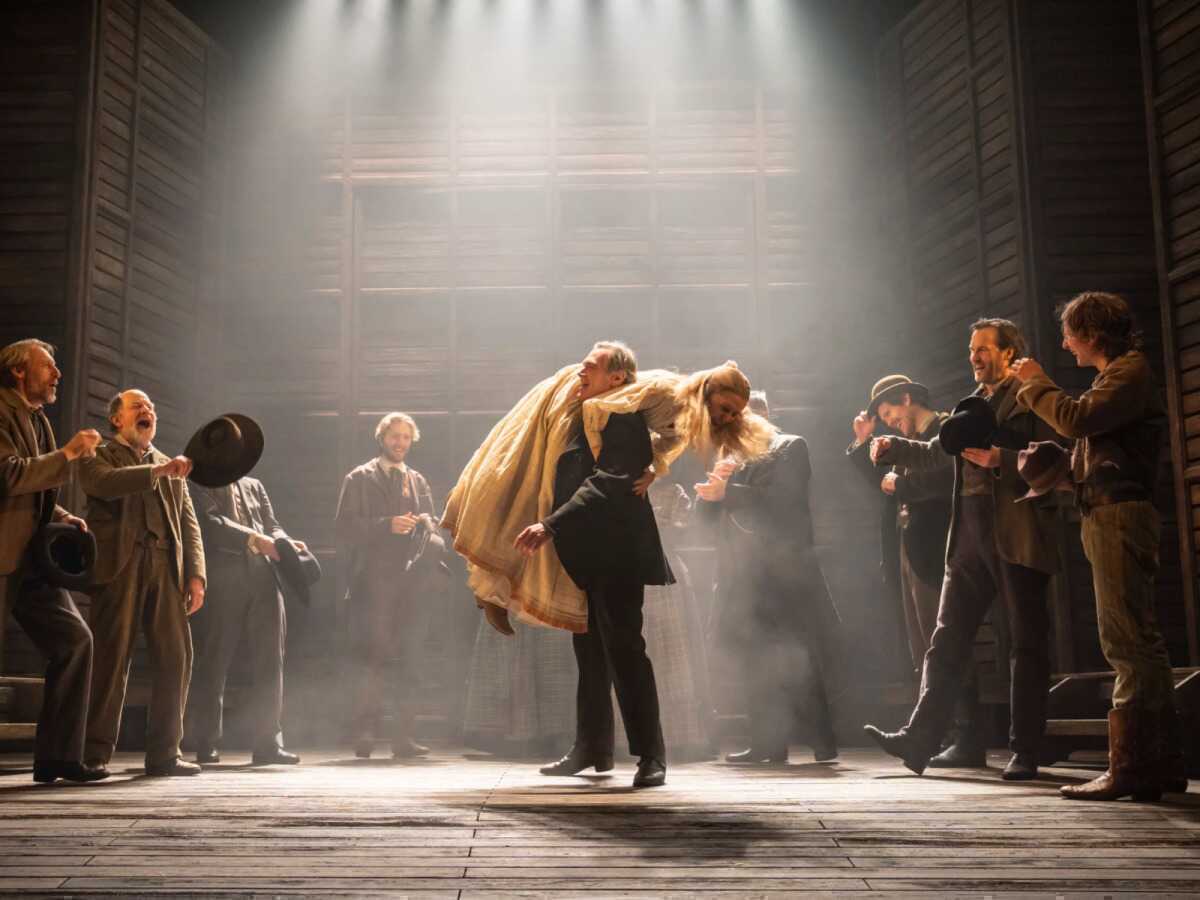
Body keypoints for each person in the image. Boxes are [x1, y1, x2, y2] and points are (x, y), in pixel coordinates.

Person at [863, 319, 1060, 781]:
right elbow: (938, 451)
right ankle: (919, 739)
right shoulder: (973, 404)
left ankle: (1025, 749)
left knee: (1026, 642)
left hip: (1015, 528)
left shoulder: (1032, 393)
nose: (974, 356)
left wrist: (1002, 459)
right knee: (947, 639)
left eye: (984, 348)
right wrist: (895, 447)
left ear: (1009, 352)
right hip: (968, 532)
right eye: (972, 349)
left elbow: (1057, 453)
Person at [1012, 290, 1186, 800]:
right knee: (1136, 638)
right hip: (1110, 511)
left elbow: (1076, 419)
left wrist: (1035, 382)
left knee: (1125, 639)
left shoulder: (1128, 372)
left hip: (1118, 515)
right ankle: (1158, 762)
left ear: (1091, 333)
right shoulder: (1117, 377)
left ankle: (1131, 766)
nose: (1066, 344)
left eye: (1069, 334)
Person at [517, 341, 673, 788]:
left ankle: (652, 755)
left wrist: (550, 525)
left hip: (618, 552)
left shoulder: (622, 416)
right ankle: (592, 748)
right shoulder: (584, 414)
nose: (580, 372)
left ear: (617, 377)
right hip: (586, 553)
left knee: (625, 650)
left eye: (591, 367)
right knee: (588, 652)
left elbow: (609, 481)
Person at [848, 375, 984, 766]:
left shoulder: (943, 429)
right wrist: (863, 444)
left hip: (936, 549)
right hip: (911, 550)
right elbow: (884, 484)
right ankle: (939, 736)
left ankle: (967, 737)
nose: (891, 422)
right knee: (925, 648)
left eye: (891, 412)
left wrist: (902, 487)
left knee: (946, 644)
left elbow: (945, 479)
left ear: (907, 398)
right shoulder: (906, 442)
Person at [699, 390, 839, 763]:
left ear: (760, 415)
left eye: (740, 417)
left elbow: (782, 501)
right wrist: (711, 493)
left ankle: (822, 741)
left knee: (796, 657)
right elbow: (708, 516)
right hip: (742, 578)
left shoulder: (790, 446)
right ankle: (766, 743)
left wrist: (728, 491)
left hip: (783, 574)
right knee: (752, 660)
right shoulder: (731, 457)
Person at [79, 389, 206, 777]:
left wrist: (196, 575)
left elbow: (188, 522)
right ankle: (94, 751)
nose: (146, 411)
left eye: (150, 407)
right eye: (137, 407)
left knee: (176, 656)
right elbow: (102, 483)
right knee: (111, 657)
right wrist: (156, 473)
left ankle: (165, 753)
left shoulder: (168, 463)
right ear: (117, 419)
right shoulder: (99, 454)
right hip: (120, 565)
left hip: (165, 566)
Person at [0, 339, 103, 783]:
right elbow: (10, 475)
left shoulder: (38, 418)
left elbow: (35, 488)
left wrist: (62, 515)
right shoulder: (1, 411)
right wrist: (69, 453)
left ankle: (58, 758)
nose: (57, 374)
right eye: (48, 366)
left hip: (32, 561)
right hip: (2, 555)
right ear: (19, 371)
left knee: (75, 641)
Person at [335, 412, 437, 759]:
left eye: (406, 437)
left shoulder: (417, 480)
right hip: (373, 582)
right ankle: (365, 733)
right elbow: (344, 528)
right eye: (395, 436)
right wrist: (386, 525)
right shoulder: (359, 477)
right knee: (373, 657)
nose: (400, 443)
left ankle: (403, 737)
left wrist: (424, 523)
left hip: (412, 582)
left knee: (412, 658)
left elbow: (432, 525)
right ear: (382, 438)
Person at [186, 476, 303, 766]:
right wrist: (255, 539)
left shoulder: (254, 485)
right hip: (225, 578)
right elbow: (210, 524)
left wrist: (284, 543)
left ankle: (268, 743)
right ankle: (206, 742)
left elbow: (272, 524)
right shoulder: (200, 483)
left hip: (265, 577)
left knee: (271, 660)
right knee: (215, 658)